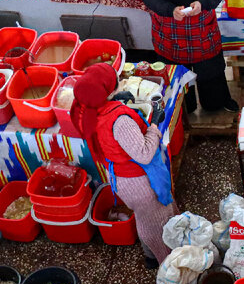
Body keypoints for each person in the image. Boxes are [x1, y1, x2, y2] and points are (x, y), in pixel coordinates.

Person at [72, 63, 175, 267]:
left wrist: (111, 100)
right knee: (157, 225)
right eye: (116, 80)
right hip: (139, 182)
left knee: (144, 218)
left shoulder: (82, 108)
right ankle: (169, 264)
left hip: (120, 178)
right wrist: (154, 124)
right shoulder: (120, 121)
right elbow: (144, 154)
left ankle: (150, 256)